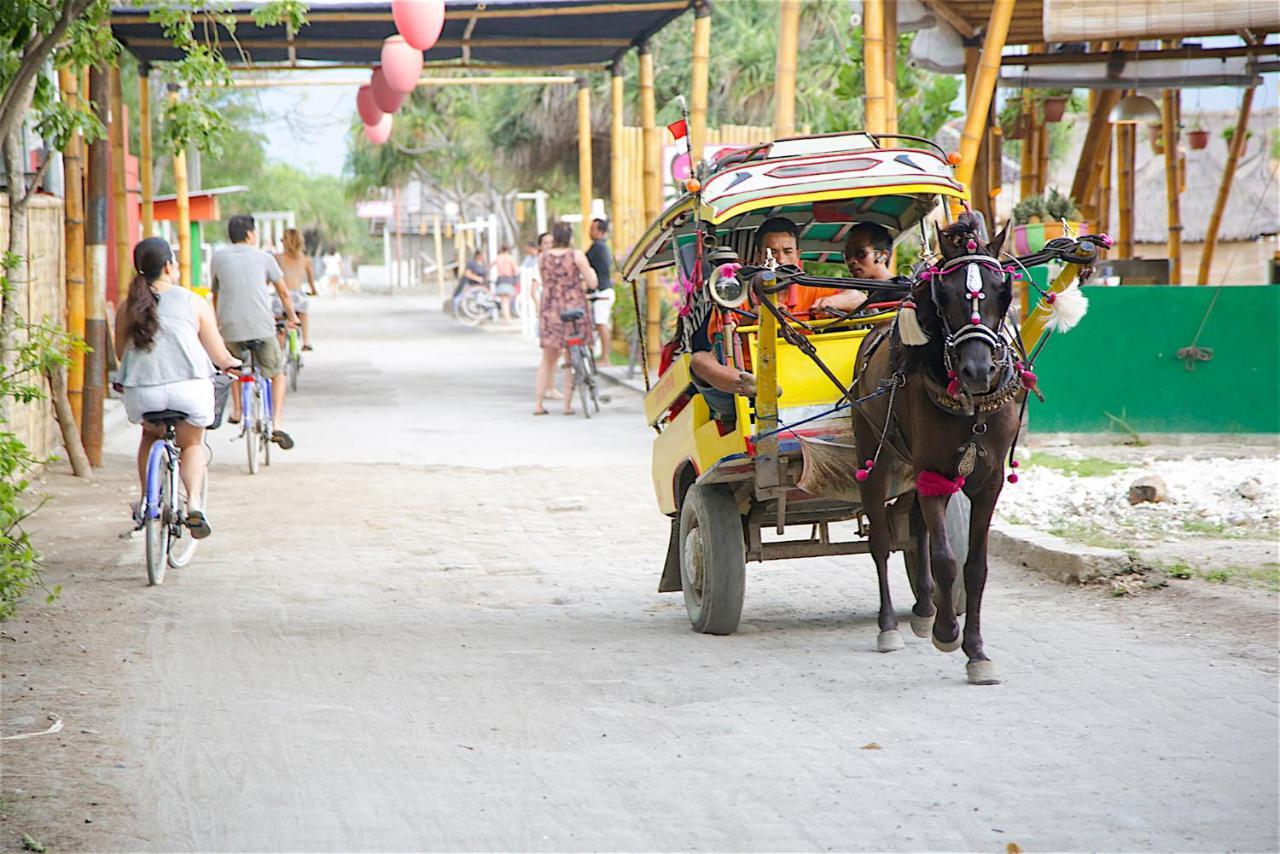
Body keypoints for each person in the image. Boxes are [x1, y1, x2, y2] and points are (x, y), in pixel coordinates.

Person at [115, 237, 241, 537]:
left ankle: (149, 502)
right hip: (189, 391)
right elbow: (219, 355)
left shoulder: (127, 307)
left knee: (149, 433)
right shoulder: (193, 301)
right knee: (193, 444)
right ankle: (194, 503)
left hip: (142, 392)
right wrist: (231, 364)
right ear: (169, 265)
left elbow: (122, 354)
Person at [210, 214, 299, 448]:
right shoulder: (265, 257)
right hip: (261, 326)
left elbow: (216, 295)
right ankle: (277, 424)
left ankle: (238, 411)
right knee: (277, 374)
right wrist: (292, 317)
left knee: (234, 367)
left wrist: (219, 323)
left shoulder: (218, 258)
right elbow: (284, 293)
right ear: (250, 235)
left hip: (229, 328)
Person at [534, 222, 597, 415]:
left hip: (551, 309)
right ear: (569, 237)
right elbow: (593, 282)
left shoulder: (543, 257)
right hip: (573, 307)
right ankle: (567, 406)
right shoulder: (577, 256)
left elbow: (545, 282)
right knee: (570, 357)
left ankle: (538, 404)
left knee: (547, 358)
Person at [811, 222, 891, 314]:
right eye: (848, 255)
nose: (851, 261)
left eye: (860, 254)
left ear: (883, 256)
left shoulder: (902, 292)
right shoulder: (865, 297)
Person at [274, 228, 319, 350]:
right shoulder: (306, 260)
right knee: (303, 313)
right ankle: (306, 341)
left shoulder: (277, 258)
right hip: (298, 297)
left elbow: (270, 279)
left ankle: (280, 348)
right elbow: (311, 282)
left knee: (279, 324)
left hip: (280, 297)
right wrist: (314, 291)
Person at [585, 218, 616, 360]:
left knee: (601, 324)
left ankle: (605, 358)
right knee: (599, 324)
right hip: (603, 291)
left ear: (601, 231)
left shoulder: (598, 246)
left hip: (602, 292)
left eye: (593, 229)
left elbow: (584, 263)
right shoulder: (602, 246)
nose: (590, 232)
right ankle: (602, 356)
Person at [492, 244, 518, 323]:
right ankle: (507, 318)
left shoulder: (498, 258)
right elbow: (515, 269)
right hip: (508, 279)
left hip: (500, 279)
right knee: (506, 300)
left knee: (504, 300)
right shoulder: (510, 258)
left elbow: (490, 266)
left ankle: (505, 317)